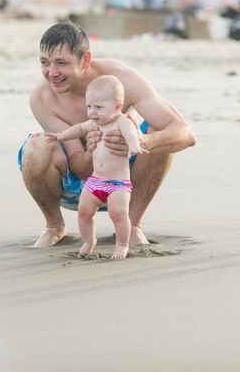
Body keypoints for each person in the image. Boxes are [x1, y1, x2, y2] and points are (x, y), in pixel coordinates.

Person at [18, 21, 196, 248]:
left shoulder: (121, 79)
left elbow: (186, 133)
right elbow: (80, 167)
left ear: (86, 60)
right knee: (36, 146)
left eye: (61, 63)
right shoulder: (41, 98)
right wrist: (93, 150)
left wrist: (144, 141)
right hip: (79, 190)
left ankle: (132, 225)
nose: (52, 73)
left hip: (125, 182)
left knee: (159, 133)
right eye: (45, 63)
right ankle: (54, 226)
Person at [43, 76, 148, 259]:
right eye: (89, 106)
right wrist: (61, 136)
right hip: (95, 181)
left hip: (118, 184)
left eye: (98, 107)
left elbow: (131, 133)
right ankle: (89, 241)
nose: (92, 112)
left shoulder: (121, 121)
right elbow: (78, 129)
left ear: (117, 107)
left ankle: (122, 244)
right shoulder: (93, 123)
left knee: (119, 214)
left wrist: (134, 146)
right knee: (84, 212)